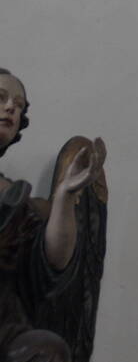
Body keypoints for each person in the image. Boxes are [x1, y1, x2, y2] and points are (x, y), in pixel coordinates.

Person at [0, 68, 106, 362]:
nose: (10, 108)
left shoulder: (18, 200)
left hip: (4, 327)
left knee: (47, 350)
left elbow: (54, 262)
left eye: (19, 104)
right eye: (1, 97)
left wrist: (65, 195)